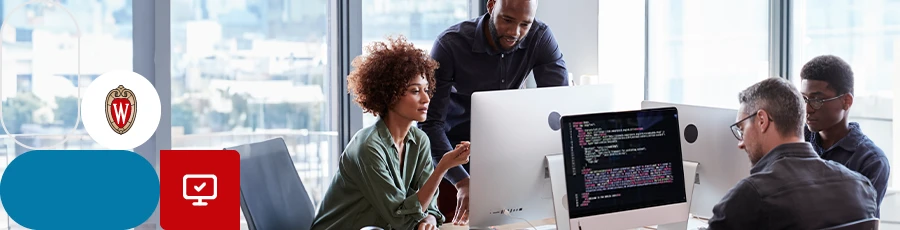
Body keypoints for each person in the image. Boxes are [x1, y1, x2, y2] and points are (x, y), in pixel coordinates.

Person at [419, 0, 568, 224]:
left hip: (503, 149)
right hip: (452, 152)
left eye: (524, 24)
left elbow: (558, 105)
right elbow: (430, 124)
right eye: (507, 20)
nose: (514, 32)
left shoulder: (539, 36)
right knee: (454, 223)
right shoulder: (450, 44)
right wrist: (461, 181)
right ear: (490, 6)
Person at [311, 36, 472, 230]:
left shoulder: (419, 140)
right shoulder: (368, 148)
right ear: (390, 95)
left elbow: (428, 205)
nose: (426, 98)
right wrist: (443, 167)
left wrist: (429, 218)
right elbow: (401, 219)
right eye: (415, 91)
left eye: (426, 90)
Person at [708, 77, 878, 229]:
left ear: (762, 121)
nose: (741, 143)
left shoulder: (751, 196)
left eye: (741, 129)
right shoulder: (861, 188)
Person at [799, 55, 891, 217]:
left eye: (817, 100)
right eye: (804, 99)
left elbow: (862, 222)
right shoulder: (796, 138)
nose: (807, 109)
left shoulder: (871, 160)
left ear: (846, 101)